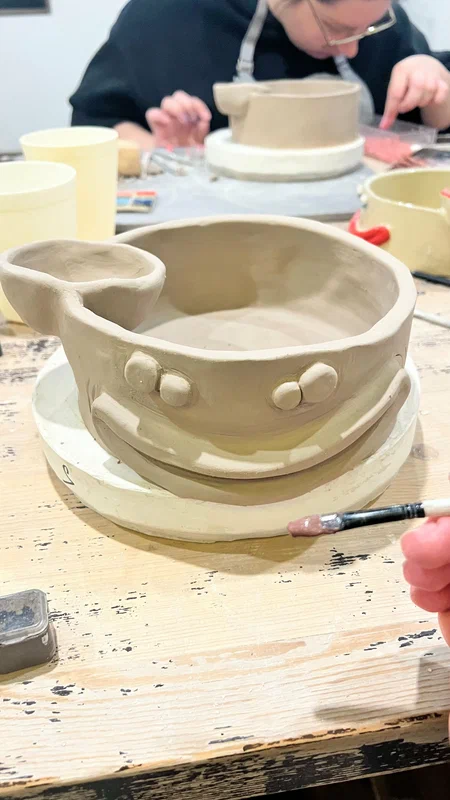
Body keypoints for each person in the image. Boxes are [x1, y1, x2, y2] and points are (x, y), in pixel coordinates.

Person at [70, 0, 450, 151]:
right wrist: (168, 152)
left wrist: (434, 80)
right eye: (337, 30)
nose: (353, 49)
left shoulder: (374, 17)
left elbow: (434, 126)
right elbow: (94, 124)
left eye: (368, 30)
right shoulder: (167, 16)